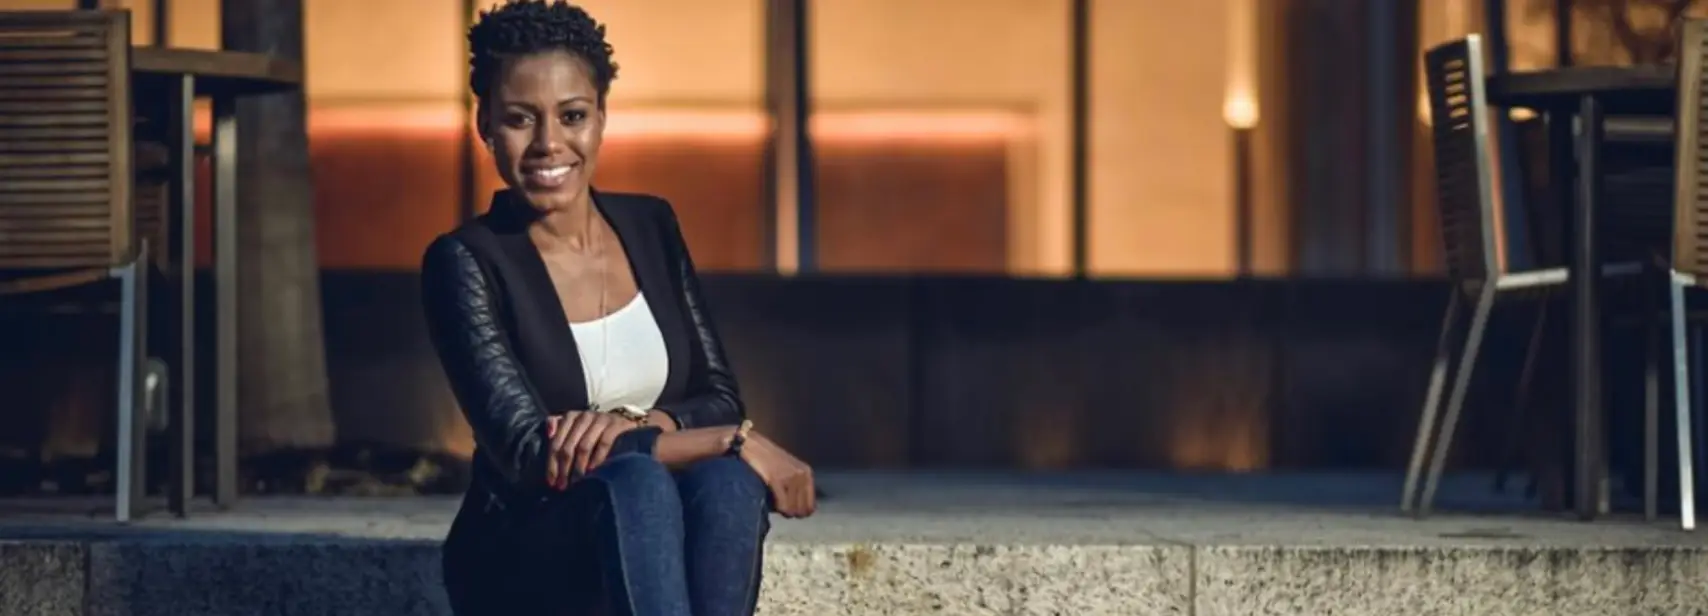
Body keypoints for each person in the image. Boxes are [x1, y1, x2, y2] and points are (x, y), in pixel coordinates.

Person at [420, 2, 816, 614]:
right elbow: (530, 455)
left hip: (654, 539)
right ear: (486, 124)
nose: (548, 143)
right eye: (520, 119)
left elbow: (718, 396)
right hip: (527, 554)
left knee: (726, 481)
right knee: (641, 481)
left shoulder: (650, 225)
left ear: (601, 118)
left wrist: (642, 427)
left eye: (572, 115)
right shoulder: (465, 260)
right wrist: (729, 441)